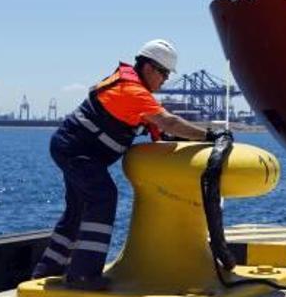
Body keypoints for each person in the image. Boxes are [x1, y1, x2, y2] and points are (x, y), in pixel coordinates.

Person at [31, 40, 225, 290]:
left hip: (71, 148)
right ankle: (83, 275)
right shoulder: (131, 91)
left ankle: (47, 270)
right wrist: (210, 135)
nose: (165, 80)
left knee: (77, 209)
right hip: (77, 151)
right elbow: (170, 123)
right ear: (149, 68)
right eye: (164, 73)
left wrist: (186, 139)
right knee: (103, 197)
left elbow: (164, 132)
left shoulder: (133, 90)